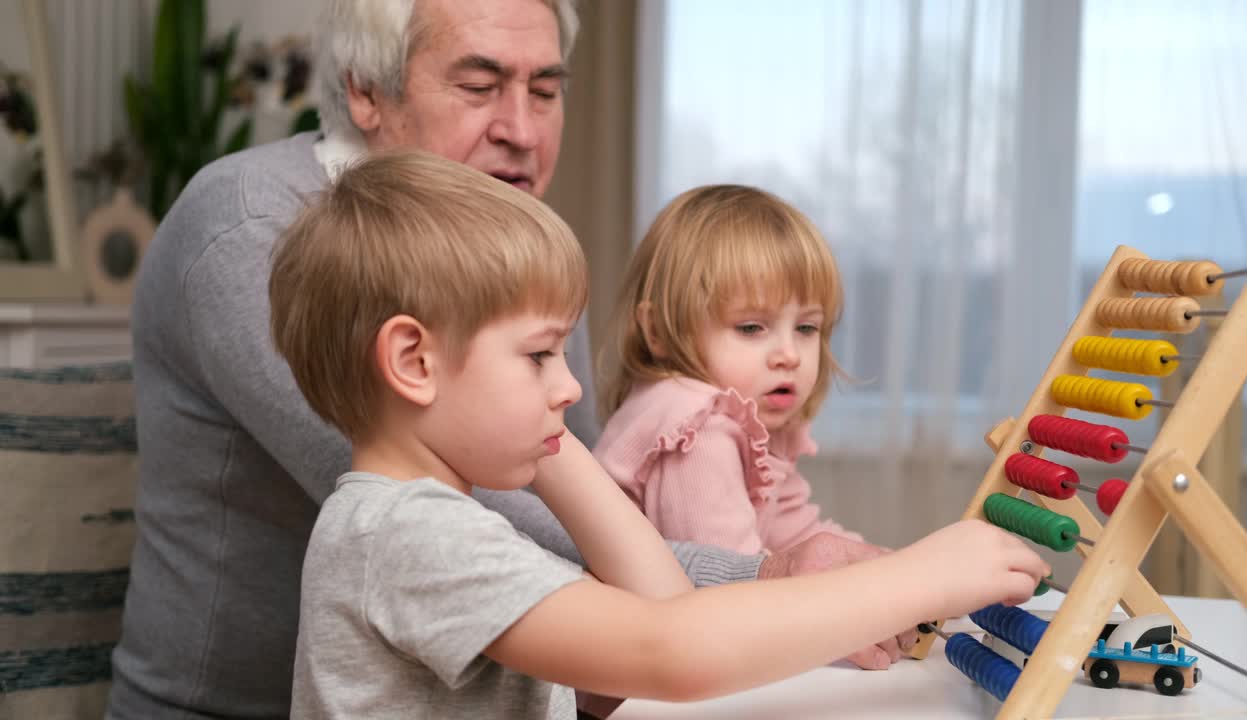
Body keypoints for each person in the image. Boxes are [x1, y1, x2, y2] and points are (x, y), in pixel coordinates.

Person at [108, 1, 900, 718]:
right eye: (480, 85)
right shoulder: (258, 233)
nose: (523, 129)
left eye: (547, 90)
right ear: (364, 90)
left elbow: (568, 494)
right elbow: (512, 530)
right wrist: (770, 583)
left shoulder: (511, 267)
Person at [276, 149, 1051, 719]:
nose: (571, 385)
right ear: (414, 361)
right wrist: (925, 576)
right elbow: (668, 650)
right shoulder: (406, 533)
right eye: (540, 353)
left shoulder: (435, 514)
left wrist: (551, 447)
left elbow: (664, 600)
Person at [595, 185, 866, 558]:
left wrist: (886, 565)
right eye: (751, 328)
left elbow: (798, 534)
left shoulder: (753, 424)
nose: (789, 355)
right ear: (657, 331)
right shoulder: (697, 433)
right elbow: (732, 582)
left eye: (806, 328)